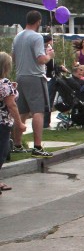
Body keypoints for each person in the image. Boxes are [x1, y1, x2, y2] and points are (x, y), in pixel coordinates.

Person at [10, 11, 53, 157]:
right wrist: (49, 56)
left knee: (21, 112)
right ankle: (37, 146)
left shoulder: (18, 36)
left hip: (20, 76)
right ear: (38, 22)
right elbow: (40, 59)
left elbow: (13, 58)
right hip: (35, 76)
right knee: (38, 111)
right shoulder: (36, 37)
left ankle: (17, 144)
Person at [0, 53, 26, 192]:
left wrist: (12, 89)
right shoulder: (4, 83)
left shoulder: (6, 84)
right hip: (2, 122)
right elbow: (11, 105)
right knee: (1, 151)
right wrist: (19, 123)